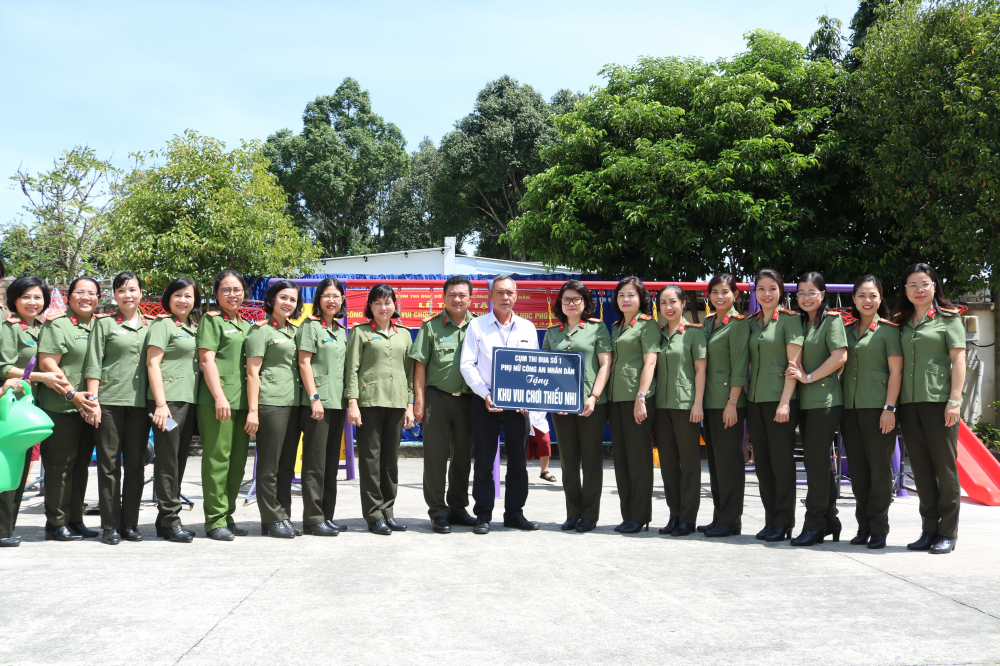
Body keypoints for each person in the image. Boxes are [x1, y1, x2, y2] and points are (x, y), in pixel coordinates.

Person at [459, 275, 540, 535]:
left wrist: (528, 398)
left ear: (516, 296)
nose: (505, 297)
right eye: (500, 292)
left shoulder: (528, 328)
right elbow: (467, 365)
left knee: (518, 462)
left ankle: (515, 513)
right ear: (490, 296)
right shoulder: (477, 326)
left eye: (510, 292)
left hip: (518, 406)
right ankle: (482, 515)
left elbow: (534, 366)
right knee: (483, 461)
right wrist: (485, 394)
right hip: (486, 402)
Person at [895, 263, 967, 555]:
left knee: (945, 469)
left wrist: (955, 400)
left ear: (935, 286)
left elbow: (959, 360)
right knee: (922, 471)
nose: (919, 290)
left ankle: (947, 532)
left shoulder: (949, 319)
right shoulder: (902, 321)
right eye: (912, 285)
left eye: (924, 284)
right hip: (909, 404)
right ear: (905, 291)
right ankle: (929, 529)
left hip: (939, 403)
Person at [0, 277, 73, 547]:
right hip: (13, 405)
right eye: (26, 297)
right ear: (14, 300)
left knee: (24, 467)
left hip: (33, 406)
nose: (33, 303)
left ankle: (8, 527)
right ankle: (3, 530)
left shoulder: (43, 328)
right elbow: (4, 367)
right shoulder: (11, 328)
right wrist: (41, 376)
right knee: (10, 466)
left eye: (38, 297)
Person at [85, 272, 151, 545]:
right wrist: (93, 400)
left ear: (141, 293)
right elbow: (93, 363)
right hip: (110, 403)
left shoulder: (153, 325)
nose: (127, 295)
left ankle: (130, 524)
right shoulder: (105, 324)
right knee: (109, 465)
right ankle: (110, 525)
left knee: (136, 465)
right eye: (121, 290)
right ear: (114, 295)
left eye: (132, 289)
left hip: (139, 405)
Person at [541, 280, 611, 533]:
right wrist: (552, 399)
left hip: (591, 403)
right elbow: (546, 370)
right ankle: (573, 514)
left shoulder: (597, 328)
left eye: (576, 299)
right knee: (569, 462)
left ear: (585, 303)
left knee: (591, 460)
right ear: (560, 303)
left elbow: (605, 364)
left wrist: (593, 396)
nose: (571, 304)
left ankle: (590, 515)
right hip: (561, 407)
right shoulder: (552, 332)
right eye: (566, 299)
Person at [409, 276, 477, 534]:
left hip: (470, 401)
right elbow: (420, 366)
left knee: (462, 458)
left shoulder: (479, 326)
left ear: (470, 298)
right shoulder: (431, 326)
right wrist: (419, 402)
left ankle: (458, 508)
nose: (457, 299)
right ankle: (438, 512)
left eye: (462, 295)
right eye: (452, 294)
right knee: (436, 458)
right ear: (444, 296)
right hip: (437, 400)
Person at [784, 272, 847, 547]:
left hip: (825, 402)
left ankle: (814, 525)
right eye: (801, 293)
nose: (806, 298)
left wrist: (808, 377)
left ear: (822, 295)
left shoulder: (831, 320)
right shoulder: (801, 322)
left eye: (812, 292)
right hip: (806, 403)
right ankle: (830, 521)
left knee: (816, 464)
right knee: (819, 464)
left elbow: (840, 356)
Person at [839, 275, 902, 550]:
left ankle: (879, 528)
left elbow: (896, 372)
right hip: (850, 410)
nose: (867, 300)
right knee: (859, 473)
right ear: (853, 299)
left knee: (879, 471)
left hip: (878, 410)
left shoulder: (889, 331)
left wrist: (889, 409)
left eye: (873, 295)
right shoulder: (846, 330)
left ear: (880, 298)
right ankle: (863, 525)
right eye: (862, 295)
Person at [346, 284, 414, 535]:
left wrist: (410, 405)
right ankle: (374, 515)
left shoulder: (405, 334)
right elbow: (351, 369)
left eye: (387, 302)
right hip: (369, 404)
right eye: (377, 303)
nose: (383, 307)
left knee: (390, 462)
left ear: (394, 305)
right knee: (370, 461)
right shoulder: (360, 333)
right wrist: (352, 402)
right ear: (370, 307)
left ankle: (388, 511)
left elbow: (409, 373)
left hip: (396, 403)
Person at [37, 278, 101, 543]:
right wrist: (72, 394)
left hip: (89, 408)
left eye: (92, 293)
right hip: (61, 405)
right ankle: (56, 523)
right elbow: (48, 362)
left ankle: (75, 519)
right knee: (59, 466)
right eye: (80, 292)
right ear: (70, 296)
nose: (86, 297)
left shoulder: (100, 325)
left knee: (80, 466)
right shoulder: (58, 324)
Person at [746, 268, 803, 543]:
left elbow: (794, 367)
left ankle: (784, 522)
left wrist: (784, 403)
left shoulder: (790, 321)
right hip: (755, 401)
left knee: (781, 464)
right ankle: (771, 519)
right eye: (760, 289)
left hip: (779, 402)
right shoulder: (753, 322)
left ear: (781, 291)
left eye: (772, 288)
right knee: (763, 465)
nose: (766, 294)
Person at [197, 270, 254, 541]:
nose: (233, 294)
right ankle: (214, 520)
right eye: (226, 289)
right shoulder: (212, 322)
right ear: (216, 293)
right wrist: (219, 397)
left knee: (238, 463)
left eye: (238, 289)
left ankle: (227, 514)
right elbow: (206, 360)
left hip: (242, 402)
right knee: (217, 460)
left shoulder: (246, 324)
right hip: (217, 402)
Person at [246, 280, 303, 539]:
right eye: (283, 297)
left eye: (292, 299)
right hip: (271, 403)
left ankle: (283, 515)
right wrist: (253, 411)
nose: (288, 303)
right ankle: (271, 518)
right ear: (271, 300)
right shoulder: (261, 331)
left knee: (286, 467)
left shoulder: (294, 331)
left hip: (293, 404)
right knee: (269, 466)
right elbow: (252, 373)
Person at [146, 277, 200, 543]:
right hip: (168, 404)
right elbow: (152, 364)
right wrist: (160, 404)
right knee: (167, 461)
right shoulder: (163, 325)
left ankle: (163, 520)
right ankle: (170, 520)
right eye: (178, 294)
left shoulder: (193, 326)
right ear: (168, 298)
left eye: (188, 296)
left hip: (188, 401)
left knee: (178, 461)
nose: (183, 300)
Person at [652, 285, 707, 537]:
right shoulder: (658, 333)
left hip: (686, 407)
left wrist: (698, 403)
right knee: (669, 466)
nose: (668, 307)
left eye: (673, 301)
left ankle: (688, 518)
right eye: (663, 302)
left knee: (690, 465)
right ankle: (674, 514)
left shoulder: (694, 333)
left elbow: (700, 370)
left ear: (683, 303)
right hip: (662, 408)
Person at [699, 274, 750, 538]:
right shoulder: (708, 322)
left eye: (725, 292)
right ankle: (719, 515)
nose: (720, 296)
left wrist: (732, 402)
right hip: (709, 402)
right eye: (715, 292)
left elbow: (740, 366)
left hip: (728, 403)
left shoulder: (738, 324)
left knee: (729, 463)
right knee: (717, 464)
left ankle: (731, 521)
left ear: (735, 295)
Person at [297, 277, 348, 537]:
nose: (332, 300)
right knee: (315, 463)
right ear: (319, 300)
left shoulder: (340, 331)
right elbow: (304, 363)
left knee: (330, 463)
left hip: (337, 403)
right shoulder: (311, 327)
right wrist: (314, 397)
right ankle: (313, 518)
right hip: (317, 404)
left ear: (342, 300)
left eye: (336, 296)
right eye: (327, 295)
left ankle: (327, 515)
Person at [607, 276, 658, 535]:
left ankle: (639, 516)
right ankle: (627, 514)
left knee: (638, 460)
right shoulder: (617, 326)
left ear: (642, 299)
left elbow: (650, 363)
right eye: (621, 295)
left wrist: (641, 397)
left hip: (636, 400)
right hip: (616, 399)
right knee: (622, 460)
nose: (626, 299)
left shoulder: (647, 325)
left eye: (631, 295)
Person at [526, 411, 554, 482]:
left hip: (539, 421)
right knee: (522, 446)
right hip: (523, 418)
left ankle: (544, 471)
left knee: (544, 442)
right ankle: (519, 472)